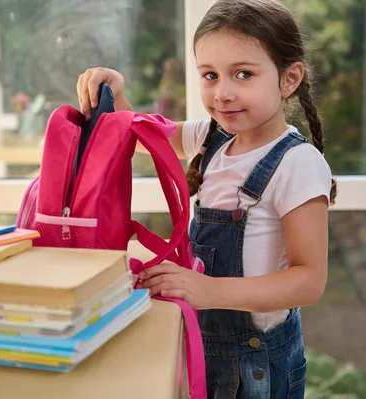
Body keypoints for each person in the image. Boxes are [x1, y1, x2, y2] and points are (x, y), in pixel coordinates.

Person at [76, 1, 337, 397]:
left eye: (243, 74)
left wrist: (209, 290)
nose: (223, 93)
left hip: (257, 365)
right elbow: (144, 135)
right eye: (210, 75)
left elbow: (309, 281)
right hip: (206, 345)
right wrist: (117, 91)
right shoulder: (212, 137)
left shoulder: (297, 164)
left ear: (289, 79)